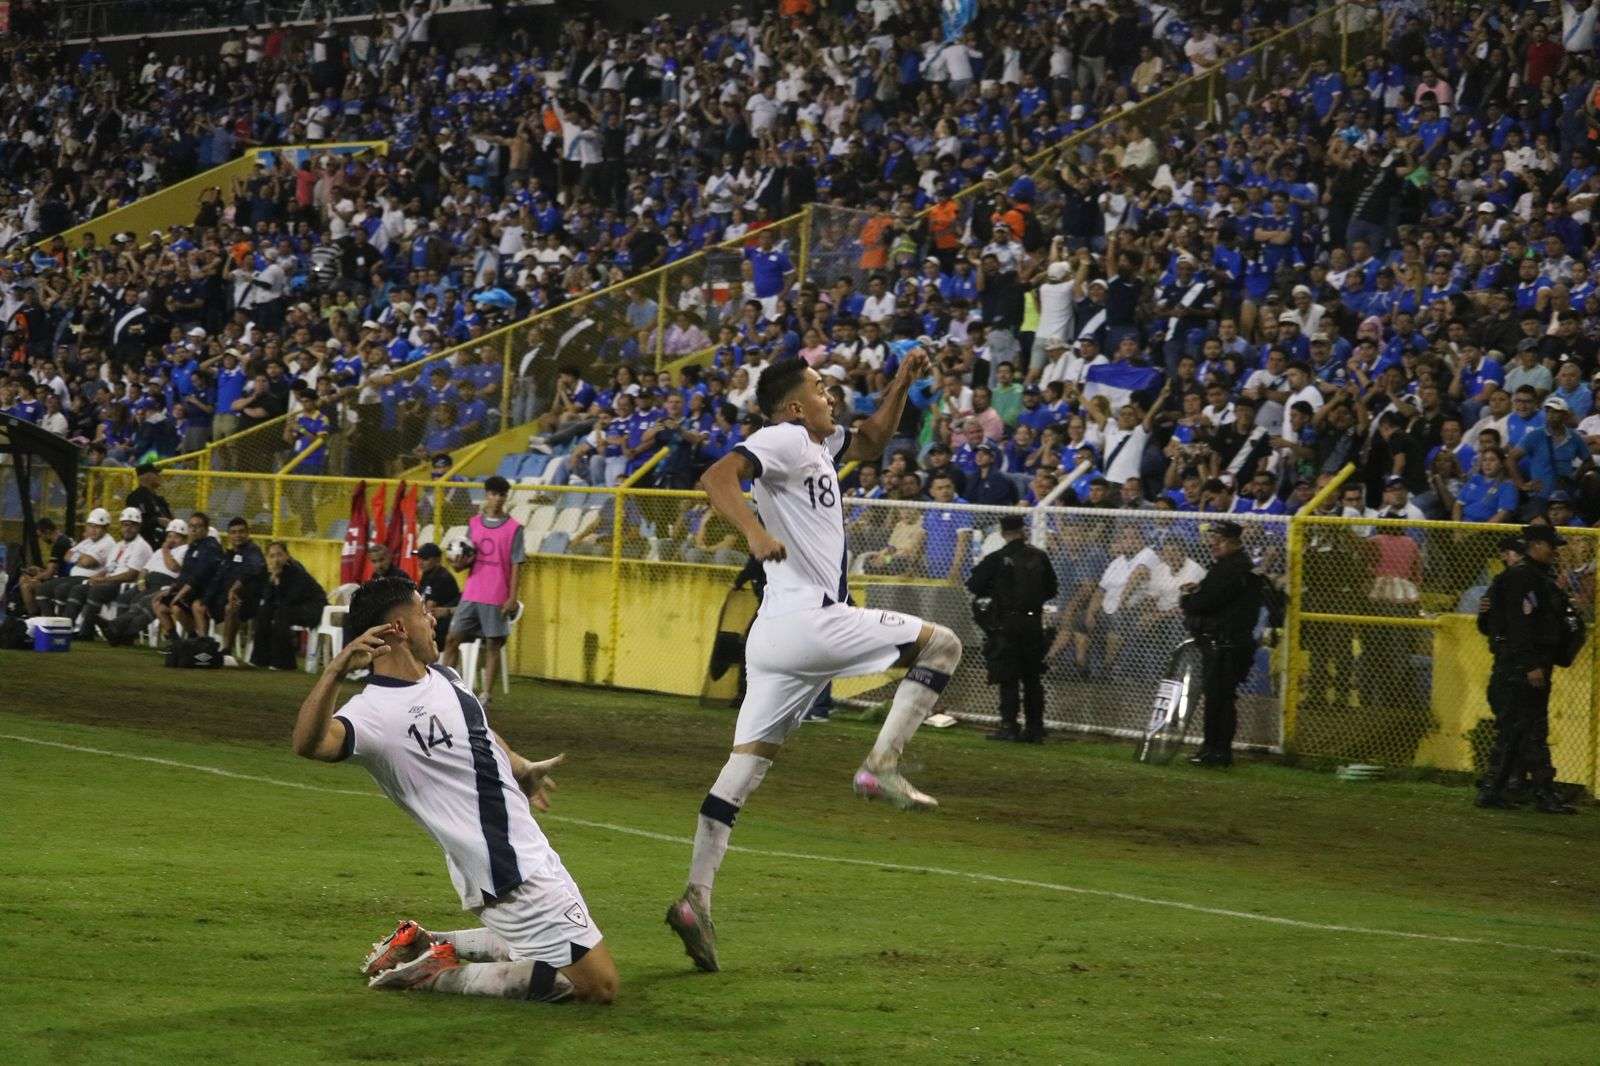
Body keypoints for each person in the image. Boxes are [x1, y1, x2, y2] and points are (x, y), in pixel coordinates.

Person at [666, 350, 962, 973]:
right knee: (943, 645)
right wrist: (751, 533)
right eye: (823, 389)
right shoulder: (786, 436)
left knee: (742, 773)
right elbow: (718, 477)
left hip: (775, 635)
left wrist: (903, 381)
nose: (833, 396)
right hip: (811, 619)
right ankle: (881, 765)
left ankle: (696, 898)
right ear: (797, 406)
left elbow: (876, 439)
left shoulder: (816, 450)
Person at [290, 577, 618, 1003]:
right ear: (400, 628)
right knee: (598, 987)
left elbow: (479, 732)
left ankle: (423, 943)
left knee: (545, 950)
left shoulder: (444, 677)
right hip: (503, 868)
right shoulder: (372, 714)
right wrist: (335, 670)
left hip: (525, 849)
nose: (433, 618)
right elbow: (309, 744)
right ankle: (432, 977)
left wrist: (521, 768)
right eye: (424, 610)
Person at [1475, 525, 1580, 814]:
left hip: (1519, 663)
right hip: (1523, 665)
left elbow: (1491, 623)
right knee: (1531, 729)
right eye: (1551, 545)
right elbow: (1519, 626)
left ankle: (1492, 790)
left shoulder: (1524, 577)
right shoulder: (1525, 578)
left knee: (1515, 731)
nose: (1555, 551)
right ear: (1535, 545)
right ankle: (1543, 793)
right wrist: (1530, 665)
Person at [1178, 521, 1267, 767]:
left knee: (1220, 699)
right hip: (1228, 642)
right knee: (1219, 698)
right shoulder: (1235, 567)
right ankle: (1214, 749)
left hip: (1225, 644)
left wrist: (1188, 598)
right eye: (1213, 539)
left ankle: (1216, 751)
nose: (1213, 544)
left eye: (1220, 540)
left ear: (1235, 542)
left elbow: (1203, 603)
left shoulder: (1231, 569)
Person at [966, 513, 1058, 743]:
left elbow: (974, 585)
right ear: (1023, 530)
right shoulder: (1039, 557)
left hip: (1006, 623)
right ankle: (1035, 728)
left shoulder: (997, 558)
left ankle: (1009, 725)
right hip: (1033, 623)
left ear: (1003, 533)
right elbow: (1051, 589)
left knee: (1008, 677)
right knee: (1032, 678)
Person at [440, 475, 524, 704]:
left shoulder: (514, 528)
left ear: (506, 498)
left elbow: (517, 563)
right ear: (486, 495)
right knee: (451, 638)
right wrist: (458, 564)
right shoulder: (474, 523)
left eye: (501, 495)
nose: (496, 499)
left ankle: (486, 694)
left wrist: (512, 597)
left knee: (493, 644)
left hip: (496, 594)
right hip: (472, 592)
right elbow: (468, 555)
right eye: (492, 494)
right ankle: (445, 687)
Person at [68, 507, 153, 640]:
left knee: (96, 591)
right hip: (110, 582)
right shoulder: (118, 545)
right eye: (125, 525)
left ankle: (86, 632)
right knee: (78, 589)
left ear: (139, 527)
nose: (128, 528)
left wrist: (104, 580)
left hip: (125, 585)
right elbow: (109, 568)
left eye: (132, 525)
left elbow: (131, 574)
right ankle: (67, 628)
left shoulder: (141, 546)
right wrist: (96, 577)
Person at [249, 541, 328, 669]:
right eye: (272, 556)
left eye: (279, 555)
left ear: (287, 556)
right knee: (264, 611)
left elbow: (290, 599)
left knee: (281, 613)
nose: (276, 559)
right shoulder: (270, 572)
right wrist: (272, 581)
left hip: (312, 608)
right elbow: (269, 600)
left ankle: (284, 663)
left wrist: (278, 582)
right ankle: (260, 659)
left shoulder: (296, 572)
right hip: (291, 607)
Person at [37, 509, 116, 618]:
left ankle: (64, 625)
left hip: (89, 579)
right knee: (42, 589)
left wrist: (79, 557)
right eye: (91, 526)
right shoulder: (89, 540)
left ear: (106, 528)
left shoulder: (108, 542)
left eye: (97, 527)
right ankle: (51, 624)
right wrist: (81, 558)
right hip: (73, 577)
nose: (93, 530)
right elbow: (67, 556)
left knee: (62, 589)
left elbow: (87, 562)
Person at [205, 518, 267, 656]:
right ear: (229, 535)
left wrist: (235, 587)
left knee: (231, 606)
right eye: (233, 532)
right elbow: (217, 579)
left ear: (248, 533)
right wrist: (206, 600)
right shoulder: (229, 555)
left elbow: (254, 569)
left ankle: (226, 649)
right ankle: (202, 645)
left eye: (241, 532)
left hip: (250, 600)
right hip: (225, 597)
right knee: (199, 606)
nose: (237, 535)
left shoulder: (253, 551)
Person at [416, 542, 462, 648]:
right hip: (430, 626)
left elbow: (429, 608)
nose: (420, 562)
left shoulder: (442, 578)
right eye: (419, 558)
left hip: (440, 630)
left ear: (437, 560)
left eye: (425, 559)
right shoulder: (427, 575)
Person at [125, 463, 173, 548]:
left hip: (165, 544)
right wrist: (157, 521)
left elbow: (170, 518)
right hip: (146, 545)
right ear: (147, 476)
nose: (159, 476)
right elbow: (134, 524)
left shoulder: (159, 499)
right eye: (156, 473)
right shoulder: (135, 497)